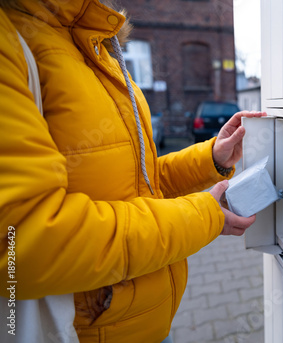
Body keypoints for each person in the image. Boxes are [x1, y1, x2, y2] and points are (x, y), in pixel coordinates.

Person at [0, 0, 265, 341]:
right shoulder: (14, 40)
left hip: (145, 322)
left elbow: (143, 180)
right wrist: (206, 215)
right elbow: (23, 240)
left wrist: (211, 157)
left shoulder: (94, 43)